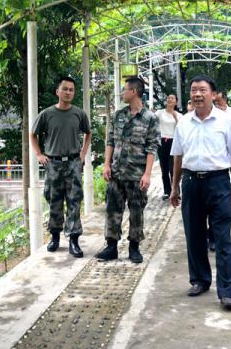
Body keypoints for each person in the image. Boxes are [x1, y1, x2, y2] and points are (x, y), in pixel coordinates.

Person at [169, 75, 231, 311]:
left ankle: (226, 291)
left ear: (213, 94)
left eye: (202, 90)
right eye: (193, 90)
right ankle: (200, 280)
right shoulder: (183, 123)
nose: (197, 94)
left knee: (222, 238)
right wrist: (174, 187)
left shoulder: (225, 121)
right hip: (191, 183)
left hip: (218, 182)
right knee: (194, 236)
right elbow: (178, 157)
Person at [95, 77, 160, 263]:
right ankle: (111, 247)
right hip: (117, 172)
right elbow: (111, 141)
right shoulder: (118, 115)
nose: (122, 93)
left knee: (136, 212)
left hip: (137, 174)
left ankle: (134, 248)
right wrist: (107, 164)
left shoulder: (150, 118)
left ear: (133, 92)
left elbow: (151, 148)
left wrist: (147, 174)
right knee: (112, 210)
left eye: (124, 90)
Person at [29, 77, 91, 258]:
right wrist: (39, 154)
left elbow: (88, 133)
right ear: (58, 92)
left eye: (71, 90)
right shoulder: (46, 114)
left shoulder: (79, 114)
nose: (68, 92)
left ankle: (74, 240)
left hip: (73, 162)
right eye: (65, 89)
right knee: (54, 200)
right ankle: (55, 237)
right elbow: (32, 134)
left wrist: (83, 153)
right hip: (53, 163)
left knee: (74, 201)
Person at [209, 90, 231, 252]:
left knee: (222, 203)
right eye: (216, 102)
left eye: (220, 101)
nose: (218, 104)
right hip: (216, 160)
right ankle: (211, 236)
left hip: (229, 157)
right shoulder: (209, 114)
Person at [155, 95, 182, 199]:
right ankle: (167, 191)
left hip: (174, 142)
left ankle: (176, 191)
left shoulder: (179, 115)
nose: (169, 100)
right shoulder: (160, 113)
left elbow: (181, 128)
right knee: (164, 168)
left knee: (173, 168)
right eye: (168, 98)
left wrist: (175, 117)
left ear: (176, 102)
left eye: (172, 98)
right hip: (162, 142)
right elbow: (152, 120)